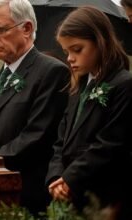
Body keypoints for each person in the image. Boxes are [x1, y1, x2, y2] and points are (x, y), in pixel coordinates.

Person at [0, 0, 70, 214]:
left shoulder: (52, 72)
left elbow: (37, 136)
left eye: (0, 29)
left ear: (27, 28)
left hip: (24, 195)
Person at [46, 6, 132, 218]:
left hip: (103, 199)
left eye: (77, 49)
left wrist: (70, 179)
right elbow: (61, 140)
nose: (69, 58)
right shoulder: (77, 89)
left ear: (100, 42)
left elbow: (109, 144)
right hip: (71, 195)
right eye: (66, 52)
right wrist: (56, 177)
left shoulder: (123, 84)